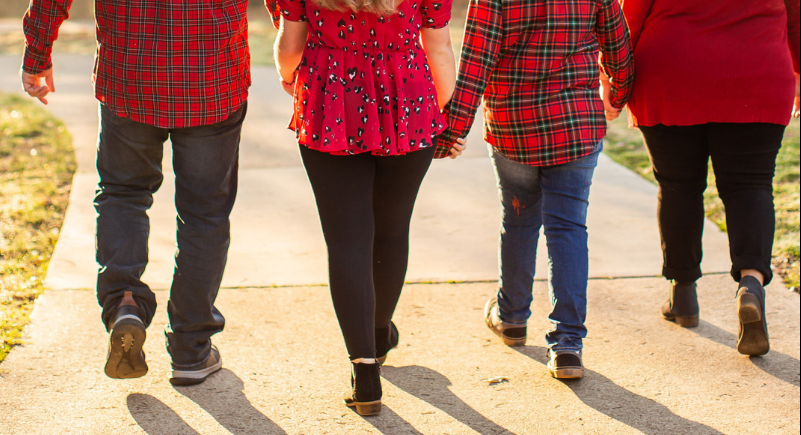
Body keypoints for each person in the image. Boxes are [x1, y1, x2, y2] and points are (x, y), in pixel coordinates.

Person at [21, 0, 250, 385]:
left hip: (131, 72)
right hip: (212, 73)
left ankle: (124, 303)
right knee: (204, 214)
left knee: (123, 194)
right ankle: (191, 350)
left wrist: (37, 52)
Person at [271, 0, 460, 415]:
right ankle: (378, 335)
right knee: (393, 228)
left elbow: (290, 44)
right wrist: (441, 110)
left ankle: (365, 369)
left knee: (346, 240)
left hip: (329, 98)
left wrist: (289, 78)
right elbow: (440, 50)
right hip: (407, 97)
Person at [436, 0, 633, 379]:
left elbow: (476, 63)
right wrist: (619, 93)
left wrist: (453, 129)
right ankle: (567, 344)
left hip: (515, 126)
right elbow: (618, 47)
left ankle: (511, 317)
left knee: (520, 221)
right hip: (575, 123)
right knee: (568, 228)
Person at [620, 0, 800, 356]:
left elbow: (631, 14)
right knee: (750, 185)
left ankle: (683, 293)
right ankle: (751, 284)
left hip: (671, 70)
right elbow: (796, 14)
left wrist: (616, 74)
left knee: (677, 185)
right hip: (757, 70)